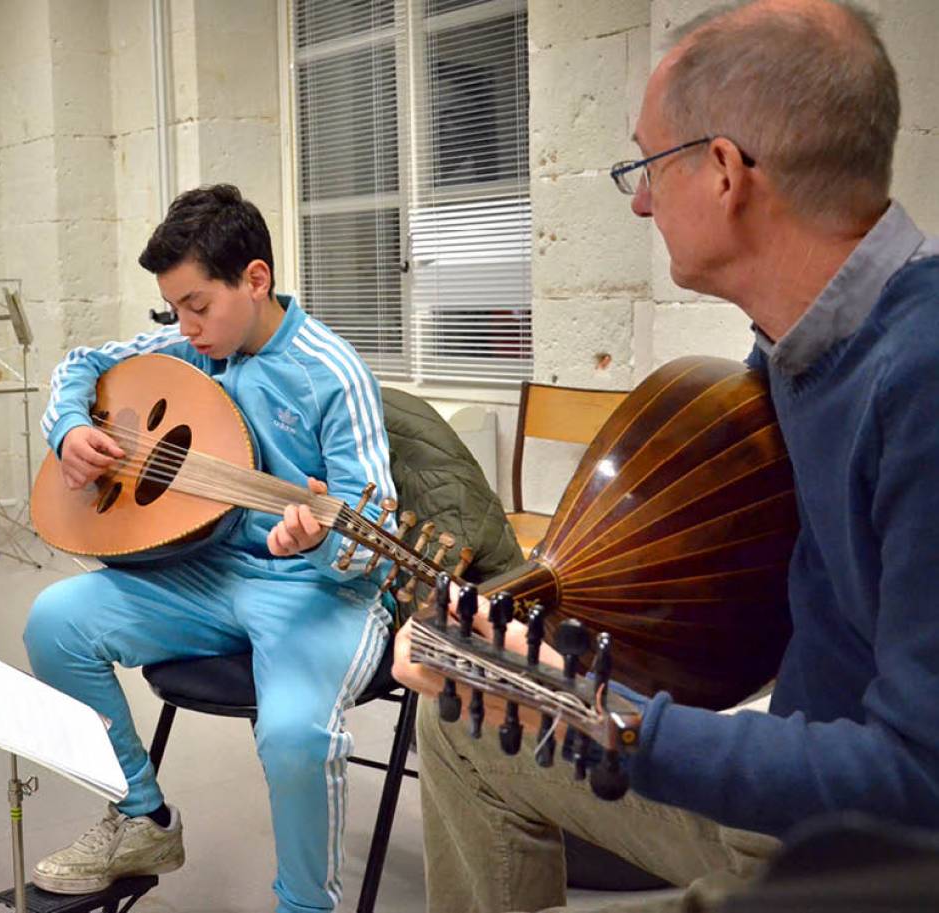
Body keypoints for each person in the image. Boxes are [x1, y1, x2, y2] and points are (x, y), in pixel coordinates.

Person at [393, 1, 939, 911]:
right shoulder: (798, 348)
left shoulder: (920, 380)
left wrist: (620, 722)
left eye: (647, 165)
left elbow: (922, 779)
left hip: (862, 862)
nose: (641, 199)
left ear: (723, 172)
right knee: (462, 723)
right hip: (787, 782)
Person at [25, 184, 397, 913]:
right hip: (205, 573)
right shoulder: (185, 350)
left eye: (199, 305)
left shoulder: (333, 373)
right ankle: (142, 816)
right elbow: (81, 362)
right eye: (174, 309)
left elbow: (376, 541)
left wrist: (320, 540)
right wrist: (70, 429)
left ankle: (304, 905)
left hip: (315, 590)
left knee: (293, 735)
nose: (185, 325)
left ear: (255, 279)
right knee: (54, 622)